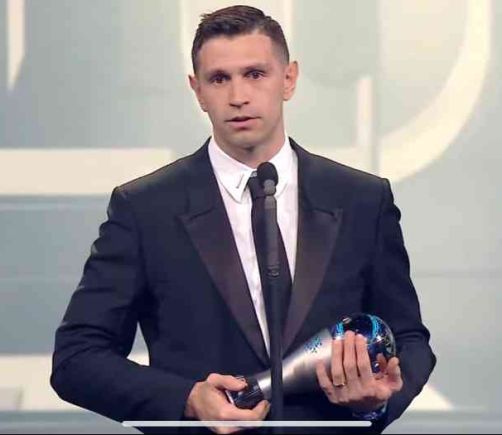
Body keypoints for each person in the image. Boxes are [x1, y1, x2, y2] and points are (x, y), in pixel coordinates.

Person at [50, 5, 436, 435]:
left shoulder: (361, 198)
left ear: (288, 79)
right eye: (219, 79)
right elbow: (76, 358)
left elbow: (410, 339)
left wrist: (377, 402)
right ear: (197, 90)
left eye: (255, 74)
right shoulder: (145, 208)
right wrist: (188, 400)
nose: (238, 96)